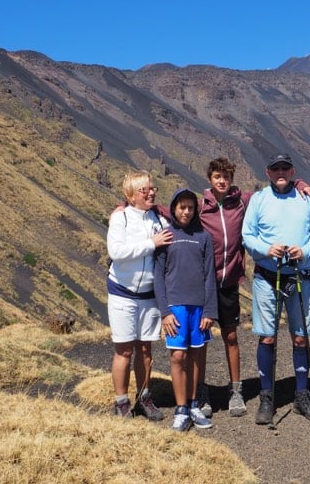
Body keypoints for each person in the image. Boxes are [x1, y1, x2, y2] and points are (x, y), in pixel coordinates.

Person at [242, 153, 310, 424]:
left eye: (285, 168)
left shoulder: (306, 199)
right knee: (267, 336)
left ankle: (302, 394)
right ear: (267, 171)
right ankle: (268, 396)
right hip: (268, 275)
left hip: (299, 275)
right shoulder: (258, 200)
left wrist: (307, 251)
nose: (280, 172)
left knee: (300, 337)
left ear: (292, 171)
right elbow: (247, 235)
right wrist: (265, 249)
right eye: (275, 167)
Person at [105, 170, 172, 420]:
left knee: (145, 349)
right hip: (122, 293)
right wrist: (150, 243)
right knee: (123, 349)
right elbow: (116, 251)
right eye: (145, 190)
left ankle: (144, 397)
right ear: (131, 196)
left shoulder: (158, 217)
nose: (151, 192)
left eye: (152, 188)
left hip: (148, 295)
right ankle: (121, 401)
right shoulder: (121, 218)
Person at [154, 189, 218, 432]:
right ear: (174, 208)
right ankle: (181, 408)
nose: (186, 211)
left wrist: (209, 311)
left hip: (199, 307)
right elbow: (158, 276)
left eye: (191, 207)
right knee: (178, 356)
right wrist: (165, 311)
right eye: (182, 207)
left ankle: (193, 404)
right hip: (176, 307)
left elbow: (209, 275)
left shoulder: (203, 237)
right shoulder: (167, 236)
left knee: (194, 355)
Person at [196, 157, 252, 417]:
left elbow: (271, 195)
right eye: (217, 176)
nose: (222, 181)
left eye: (226, 177)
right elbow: (168, 210)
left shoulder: (240, 202)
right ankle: (201, 392)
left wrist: (298, 182)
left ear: (231, 179)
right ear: (210, 178)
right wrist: (126, 204)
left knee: (231, 336)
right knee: (202, 339)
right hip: (205, 285)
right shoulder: (199, 207)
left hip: (229, 283)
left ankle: (236, 390)